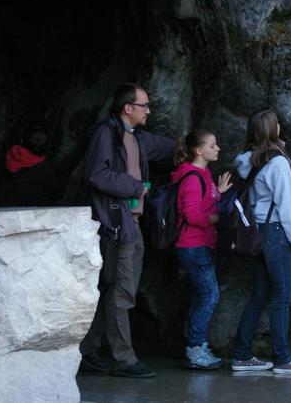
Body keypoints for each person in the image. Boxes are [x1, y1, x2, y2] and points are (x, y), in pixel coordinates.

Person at [79, 82, 175, 378]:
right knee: (121, 292)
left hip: (130, 223)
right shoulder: (106, 134)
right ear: (127, 108)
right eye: (144, 105)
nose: (149, 110)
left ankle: (88, 351)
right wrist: (135, 187)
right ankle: (123, 358)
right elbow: (96, 174)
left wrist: (194, 145)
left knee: (114, 290)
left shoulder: (135, 136)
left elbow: (167, 147)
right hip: (118, 224)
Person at [231, 108, 291, 375]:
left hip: (257, 233)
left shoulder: (247, 162)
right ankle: (283, 358)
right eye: (277, 123)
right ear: (271, 129)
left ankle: (242, 355)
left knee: (259, 296)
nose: (280, 125)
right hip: (276, 233)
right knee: (282, 296)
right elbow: (288, 206)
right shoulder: (277, 163)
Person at [171, 130, 232, 370]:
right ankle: (195, 348)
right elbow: (193, 214)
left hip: (203, 245)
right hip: (193, 245)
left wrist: (220, 192)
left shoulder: (203, 174)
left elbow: (206, 201)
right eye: (212, 145)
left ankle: (197, 344)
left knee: (201, 295)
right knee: (210, 295)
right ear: (199, 150)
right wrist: (219, 219)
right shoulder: (191, 178)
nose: (217, 149)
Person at [0, 125, 61, 206]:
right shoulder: (44, 167)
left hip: (2, 212)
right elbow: (55, 194)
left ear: (21, 140)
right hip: (29, 213)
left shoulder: (3, 159)